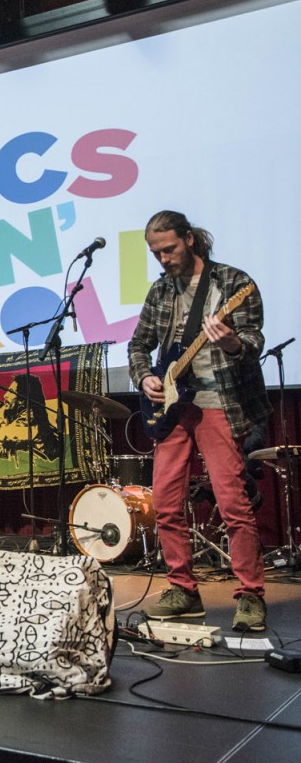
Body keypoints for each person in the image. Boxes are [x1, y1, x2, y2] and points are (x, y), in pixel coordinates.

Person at [128, 210, 270, 632]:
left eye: (169, 249)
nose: (163, 259)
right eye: (156, 253)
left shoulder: (234, 284)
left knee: (233, 503)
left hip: (219, 403)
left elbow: (254, 341)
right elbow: (139, 345)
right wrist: (145, 377)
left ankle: (251, 595)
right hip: (173, 408)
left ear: (189, 239)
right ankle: (182, 590)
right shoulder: (160, 290)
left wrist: (233, 343)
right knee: (166, 503)